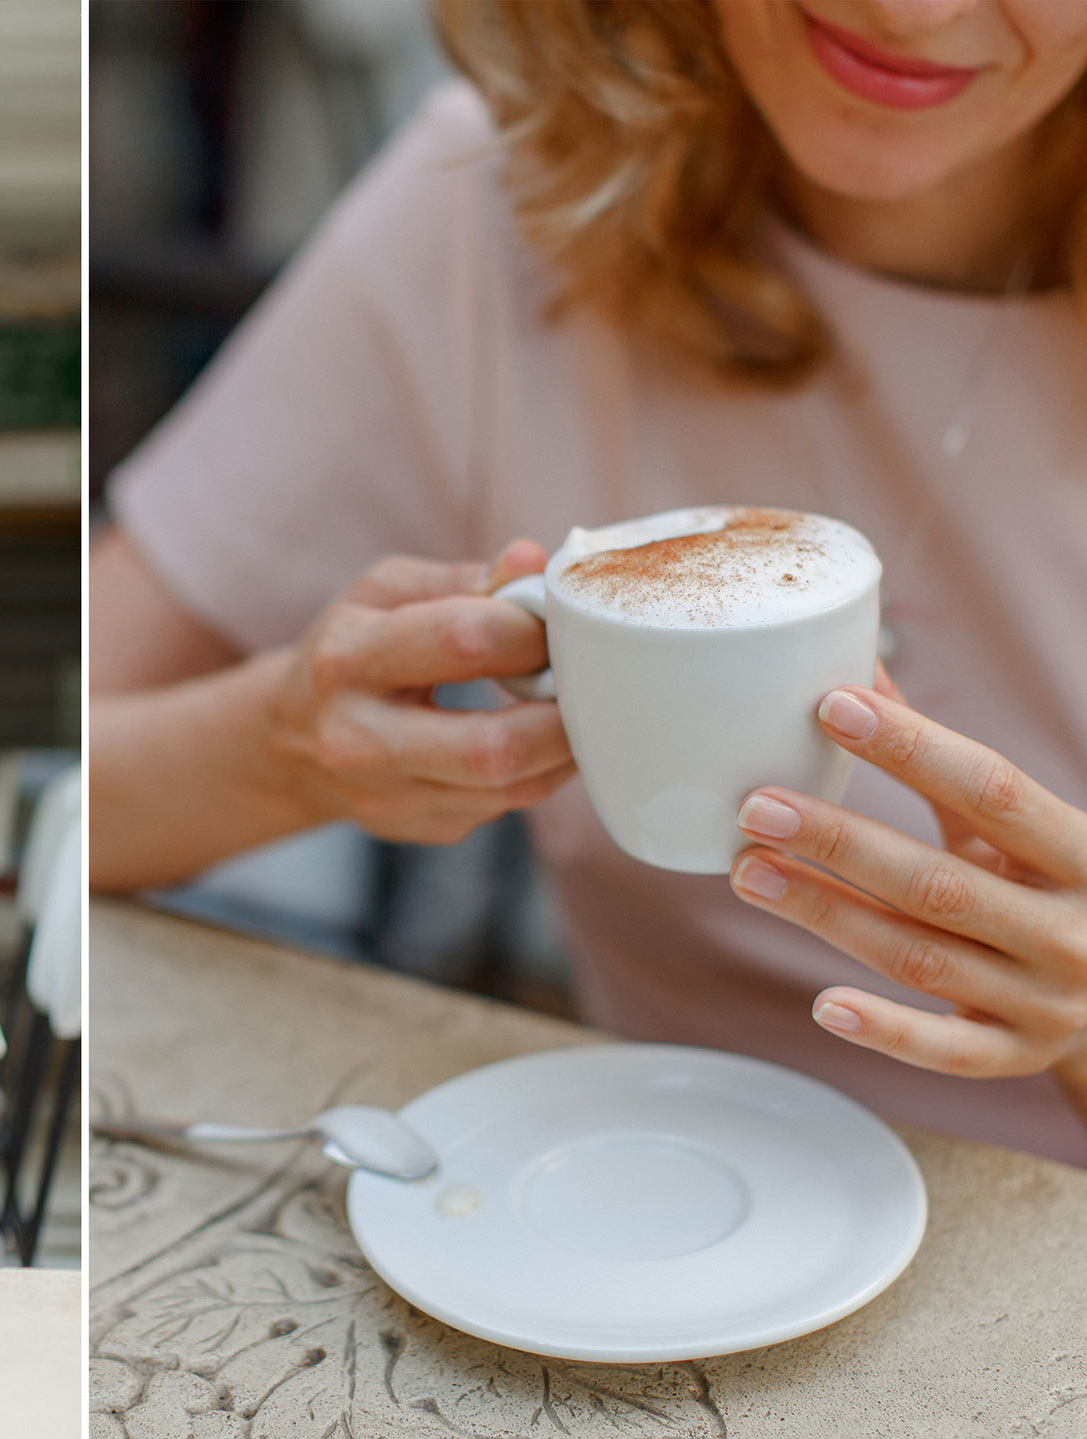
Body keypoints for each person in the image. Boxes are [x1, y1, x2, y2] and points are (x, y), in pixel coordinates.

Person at [91, 0, 1087, 1167]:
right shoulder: (500, 204)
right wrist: (283, 748)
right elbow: (61, 800)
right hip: (638, 1192)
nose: (909, 11)